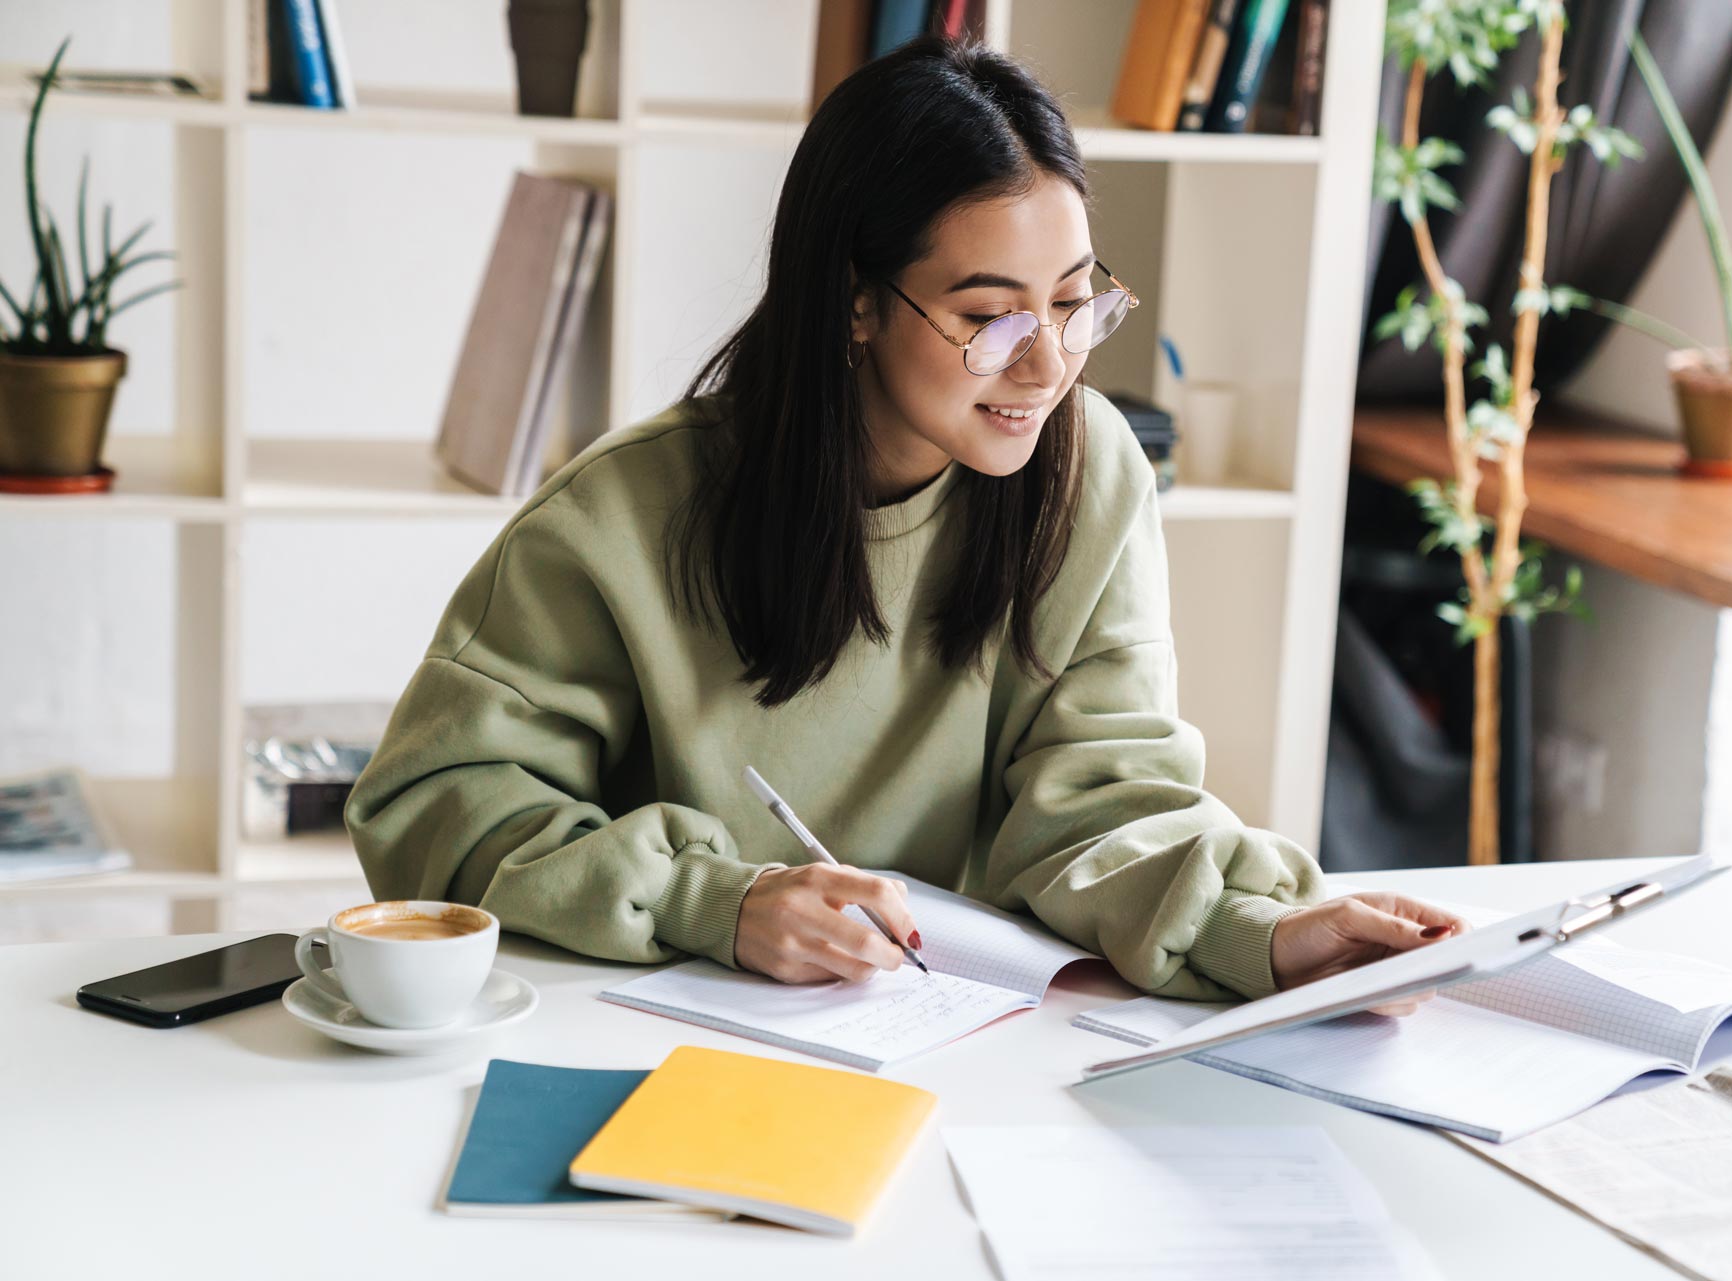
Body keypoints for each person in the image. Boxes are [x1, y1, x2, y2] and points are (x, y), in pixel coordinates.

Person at [345, 36, 1465, 1014]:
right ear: (856, 303)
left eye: (1076, 301)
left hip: (949, 1030)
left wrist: (1261, 933)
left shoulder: (1094, 472)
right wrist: (714, 903)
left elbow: (1103, 797)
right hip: (661, 1029)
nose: (1048, 363)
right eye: (990, 317)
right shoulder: (622, 516)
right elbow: (432, 806)